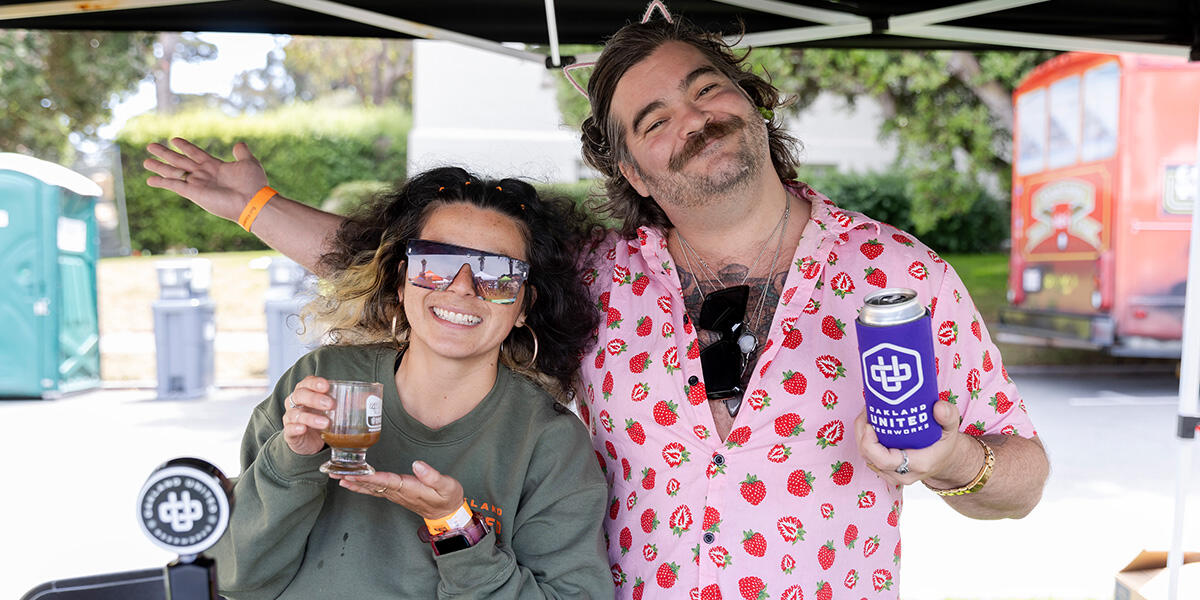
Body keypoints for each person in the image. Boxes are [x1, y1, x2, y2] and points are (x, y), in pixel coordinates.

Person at [144, 10, 1049, 599]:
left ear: (754, 104)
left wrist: (950, 455)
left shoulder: (902, 275)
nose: (693, 119)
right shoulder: (605, 276)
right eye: (652, 120)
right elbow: (437, 268)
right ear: (629, 169)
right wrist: (255, 208)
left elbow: (1024, 479)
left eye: (709, 89)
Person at [199, 166, 613, 599]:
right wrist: (293, 461)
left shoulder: (549, 443)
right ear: (401, 281)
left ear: (524, 305)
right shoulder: (319, 382)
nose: (463, 287)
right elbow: (235, 577)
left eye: (497, 274)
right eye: (436, 263)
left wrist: (456, 527)